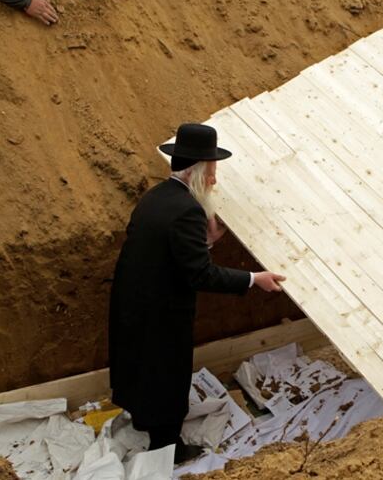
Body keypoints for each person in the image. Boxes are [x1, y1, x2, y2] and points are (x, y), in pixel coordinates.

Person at [108, 123, 286, 463]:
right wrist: (254, 278)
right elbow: (199, 274)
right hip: (162, 314)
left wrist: (205, 242)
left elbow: (170, 252)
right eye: (213, 172)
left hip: (134, 306)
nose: (215, 180)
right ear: (198, 172)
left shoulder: (156, 198)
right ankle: (167, 451)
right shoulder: (188, 210)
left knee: (142, 371)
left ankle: (148, 423)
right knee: (166, 379)